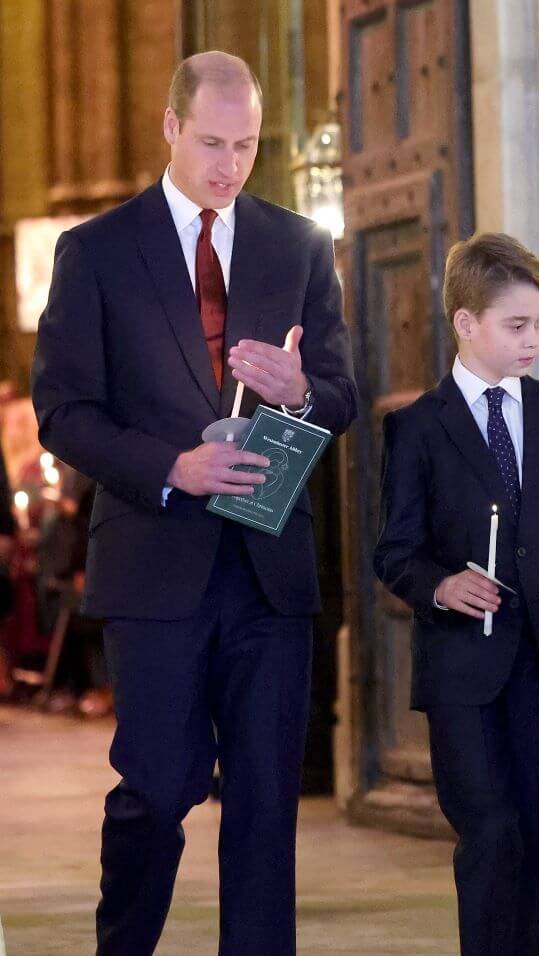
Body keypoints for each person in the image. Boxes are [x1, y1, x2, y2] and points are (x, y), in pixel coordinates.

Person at [30, 51, 358, 955]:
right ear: (171, 128)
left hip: (269, 567)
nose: (229, 164)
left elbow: (342, 391)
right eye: (212, 141)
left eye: (247, 145)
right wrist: (174, 465)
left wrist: (298, 390)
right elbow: (63, 410)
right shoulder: (95, 250)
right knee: (157, 788)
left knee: (264, 804)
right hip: (154, 564)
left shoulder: (298, 245)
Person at [373, 232, 539, 956]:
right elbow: (394, 552)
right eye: (517, 325)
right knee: (489, 831)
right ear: (465, 323)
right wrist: (442, 584)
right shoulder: (418, 428)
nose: (534, 341)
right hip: (463, 673)